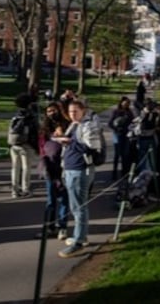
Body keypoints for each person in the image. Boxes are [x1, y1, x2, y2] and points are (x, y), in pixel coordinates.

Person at [57, 100, 101, 258]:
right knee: (75, 206)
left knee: (79, 206)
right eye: (70, 111)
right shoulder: (74, 125)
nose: (72, 114)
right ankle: (80, 235)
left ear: (83, 111)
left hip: (80, 170)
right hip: (70, 168)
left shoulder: (88, 125)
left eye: (75, 111)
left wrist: (70, 142)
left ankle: (79, 241)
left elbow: (93, 147)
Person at [37, 102, 69, 241]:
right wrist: (44, 164)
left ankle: (62, 227)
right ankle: (50, 227)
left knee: (64, 199)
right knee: (51, 200)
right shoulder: (44, 130)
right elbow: (41, 148)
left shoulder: (68, 126)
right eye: (49, 111)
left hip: (64, 168)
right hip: (49, 168)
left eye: (54, 110)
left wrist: (63, 135)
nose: (51, 113)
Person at [8, 92, 39, 198]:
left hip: (14, 143)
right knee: (26, 168)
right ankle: (26, 189)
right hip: (27, 144)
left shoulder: (15, 116)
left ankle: (14, 190)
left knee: (15, 168)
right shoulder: (31, 116)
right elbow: (34, 131)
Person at [108, 97, 134, 182]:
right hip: (117, 134)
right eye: (125, 103)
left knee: (125, 154)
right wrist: (116, 129)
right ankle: (114, 173)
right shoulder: (116, 112)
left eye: (128, 103)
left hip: (126, 135)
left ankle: (124, 172)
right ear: (121, 102)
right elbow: (110, 123)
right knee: (117, 154)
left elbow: (132, 122)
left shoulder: (129, 112)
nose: (126, 105)